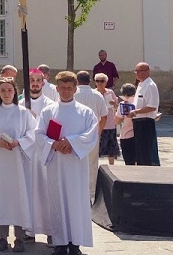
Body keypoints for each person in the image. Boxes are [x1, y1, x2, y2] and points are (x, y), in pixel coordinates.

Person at [35, 72, 100, 255]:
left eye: (69, 88)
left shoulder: (85, 112)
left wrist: (71, 142)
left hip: (75, 165)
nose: (65, 91)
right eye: (62, 88)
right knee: (58, 202)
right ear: (56, 88)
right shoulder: (48, 111)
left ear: (75, 89)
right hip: (56, 163)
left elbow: (91, 134)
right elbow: (38, 134)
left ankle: (75, 243)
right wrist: (54, 144)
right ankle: (60, 243)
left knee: (76, 202)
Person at [0, 78, 36, 252]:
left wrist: (19, 142)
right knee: (2, 200)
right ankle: (2, 237)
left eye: (9, 90)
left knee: (19, 198)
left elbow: (32, 133)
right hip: (0, 163)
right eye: (3, 91)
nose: (6, 94)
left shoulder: (23, 113)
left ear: (15, 92)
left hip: (18, 162)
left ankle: (20, 238)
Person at [73, 70, 109, 199]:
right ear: (90, 81)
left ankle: (76, 191)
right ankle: (90, 193)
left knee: (75, 163)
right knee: (92, 164)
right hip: (92, 135)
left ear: (77, 81)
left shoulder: (73, 94)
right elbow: (104, 116)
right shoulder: (97, 95)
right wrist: (99, 131)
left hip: (75, 136)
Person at [128, 62, 160, 166]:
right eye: (135, 71)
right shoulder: (141, 85)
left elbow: (152, 106)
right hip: (138, 122)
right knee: (140, 152)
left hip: (145, 123)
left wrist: (136, 112)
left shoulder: (150, 85)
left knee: (146, 152)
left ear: (147, 72)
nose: (136, 74)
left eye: (139, 71)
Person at [94, 73, 120, 166]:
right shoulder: (94, 93)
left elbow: (117, 107)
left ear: (106, 82)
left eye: (102, 81)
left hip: (110, 123)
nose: (99, 83)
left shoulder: (110, 92)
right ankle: (95, 166)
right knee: (98, 148)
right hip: (99, 124)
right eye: (97, 81)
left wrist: (114, 104)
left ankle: (112, 166)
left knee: (111, 148)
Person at [115, 84, 137, 165]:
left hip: (126, 134)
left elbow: (117, 121)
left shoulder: (123, 104)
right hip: (140, 134)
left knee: (129, 162)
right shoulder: (140, 101)